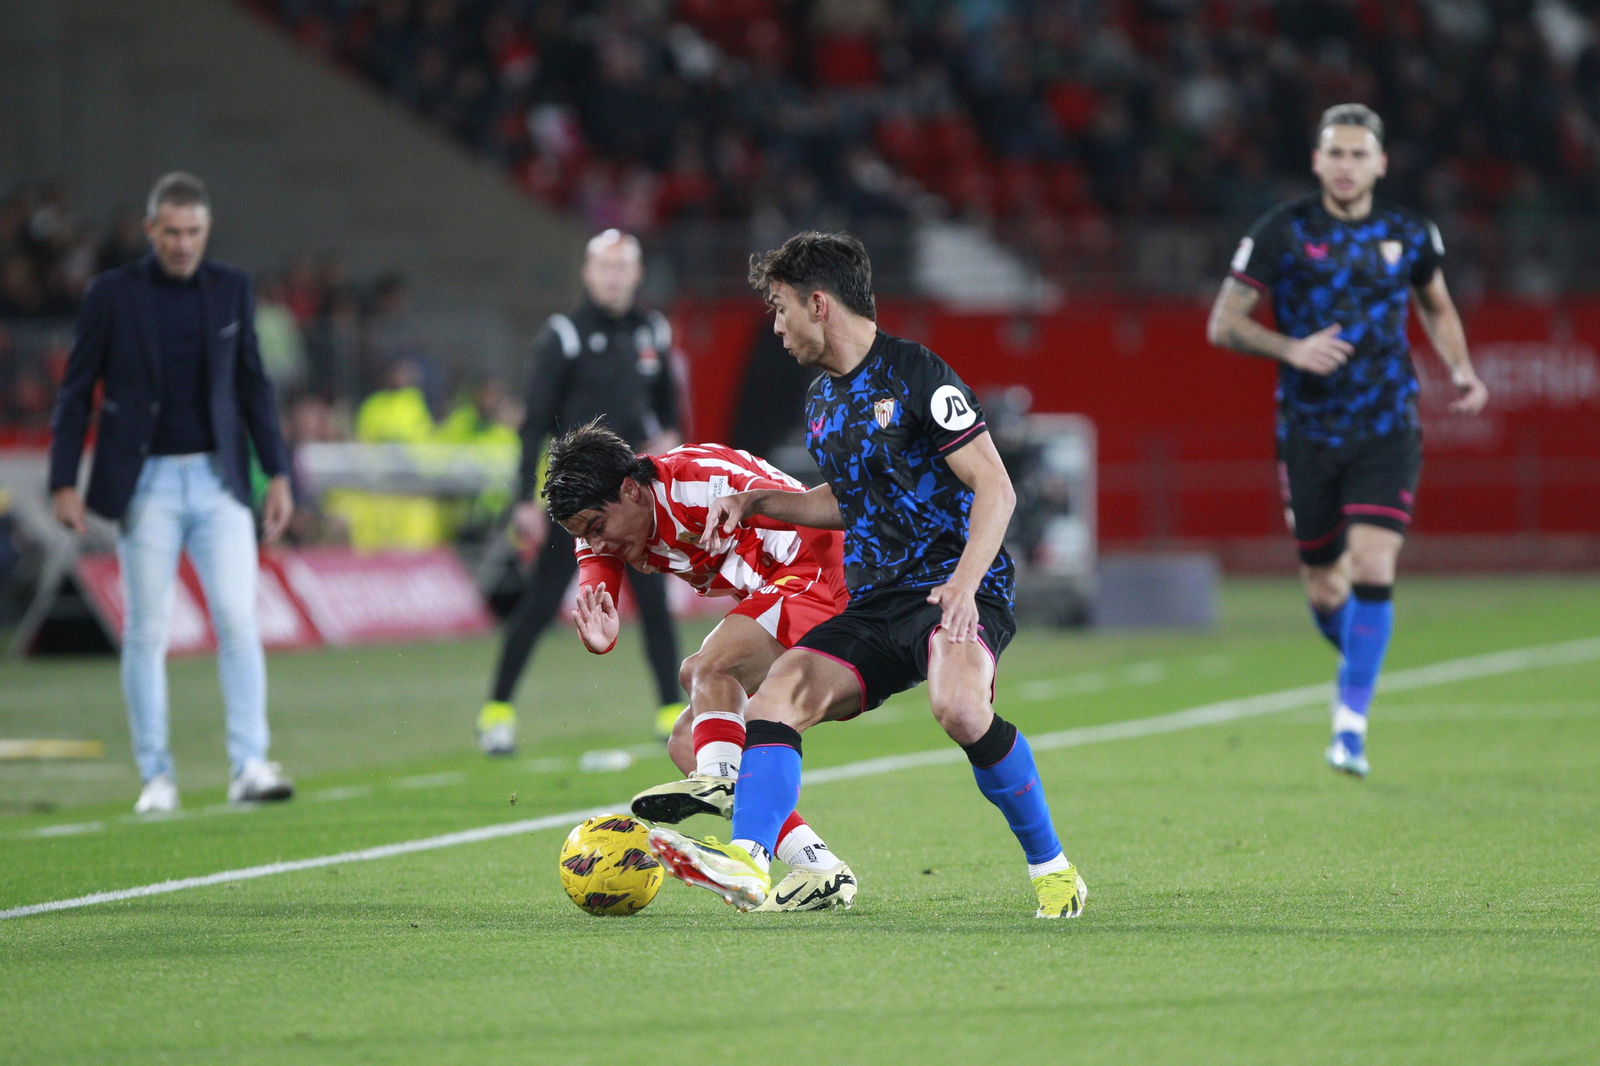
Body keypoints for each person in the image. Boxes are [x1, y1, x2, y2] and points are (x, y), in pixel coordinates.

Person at [646, 232, 1088, 919]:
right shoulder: (822, 403)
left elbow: (996, 488)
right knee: (775, 698)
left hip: (950, 588)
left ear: (818, 304)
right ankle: (746, 863)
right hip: (874, 602)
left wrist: (965, 585)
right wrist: (757, 503)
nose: (776, 325)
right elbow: (849, 501)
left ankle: (1053, 870)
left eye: (781, 308)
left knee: (961, 709)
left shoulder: (918, 374)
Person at [1206, 104, 1489, 778]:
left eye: (1359, 154)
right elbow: (1223, 323)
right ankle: (1361, 661)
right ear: (1317, 160)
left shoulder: (1409, 232)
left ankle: (1350, 727)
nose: (1346, 165)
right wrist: (1292, 349)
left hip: (1387, 424)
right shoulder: (1283, 231)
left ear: (1380, 164)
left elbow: (1437, 304)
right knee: (1327, 589)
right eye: (1335, 152)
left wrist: (1461, 369)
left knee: (1372, 564)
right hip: (1307, 430)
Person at [48, 172, 296, 813]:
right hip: (146, 484)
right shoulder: (111, 294)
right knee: (146, 631)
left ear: (206, 230)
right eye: (172, 232)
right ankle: (156, 776)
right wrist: (63, 481)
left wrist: (277, 474)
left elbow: (254, 386)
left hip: (219, 481)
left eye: (193, 232)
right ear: (150, 229)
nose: (183, 244)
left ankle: (250, 765)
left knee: (237, 619)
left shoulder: (232, 288)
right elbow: (75, 392)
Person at [543, 421, 856, 910]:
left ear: (631, 489)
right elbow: (595, 567)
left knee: (707, 669)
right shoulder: (601, 521)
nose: (595, 543)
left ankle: (725, 792)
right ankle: (816, 865)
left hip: (821, 570)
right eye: (582, 534)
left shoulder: (702, 481)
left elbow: (817, 512)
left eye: (598, 528)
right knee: (688, 740)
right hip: (777, 587)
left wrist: (853, 604)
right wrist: (598, 618)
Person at [476, 229, 684, 754]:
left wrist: (669, 442)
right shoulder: (564, 335)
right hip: (574, 500)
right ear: (587, 273)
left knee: (655, 603)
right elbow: (532, 424)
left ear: (637, 274)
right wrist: (523, 498)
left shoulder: (652, 331)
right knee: (541, 602)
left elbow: (668, 412)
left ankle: (669, 712)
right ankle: (497, 712)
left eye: (623, 267)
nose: (614, 277)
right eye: (605, 267)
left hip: (634, 498)